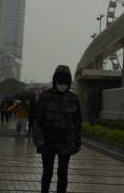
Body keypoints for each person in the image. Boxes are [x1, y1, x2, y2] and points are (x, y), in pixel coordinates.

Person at [32, 65, 82, 193]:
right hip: (47, 142)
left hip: (66, 143)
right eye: (60, 82)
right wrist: (39, 139)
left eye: (65, 82)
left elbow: (77, 122)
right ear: (55, 80)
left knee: (63, 173)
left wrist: (76, 142)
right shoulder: (45, 96)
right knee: (47, 172)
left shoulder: (73, 99)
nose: (62, 85)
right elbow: (37, 119)